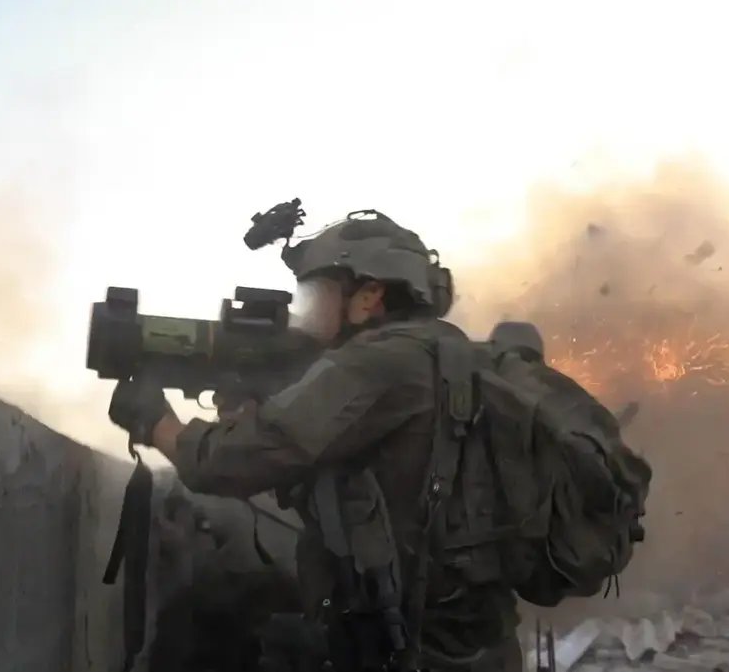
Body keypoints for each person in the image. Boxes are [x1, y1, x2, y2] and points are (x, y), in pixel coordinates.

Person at [108, 210, 522, 671]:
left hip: (407, 651)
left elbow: (229, 462)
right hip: (472, 646)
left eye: (320, 295)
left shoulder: (375, 363)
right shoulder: (449, 356)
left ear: (368, 297)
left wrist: (156, 422)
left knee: (207, 630)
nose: (309, 315)